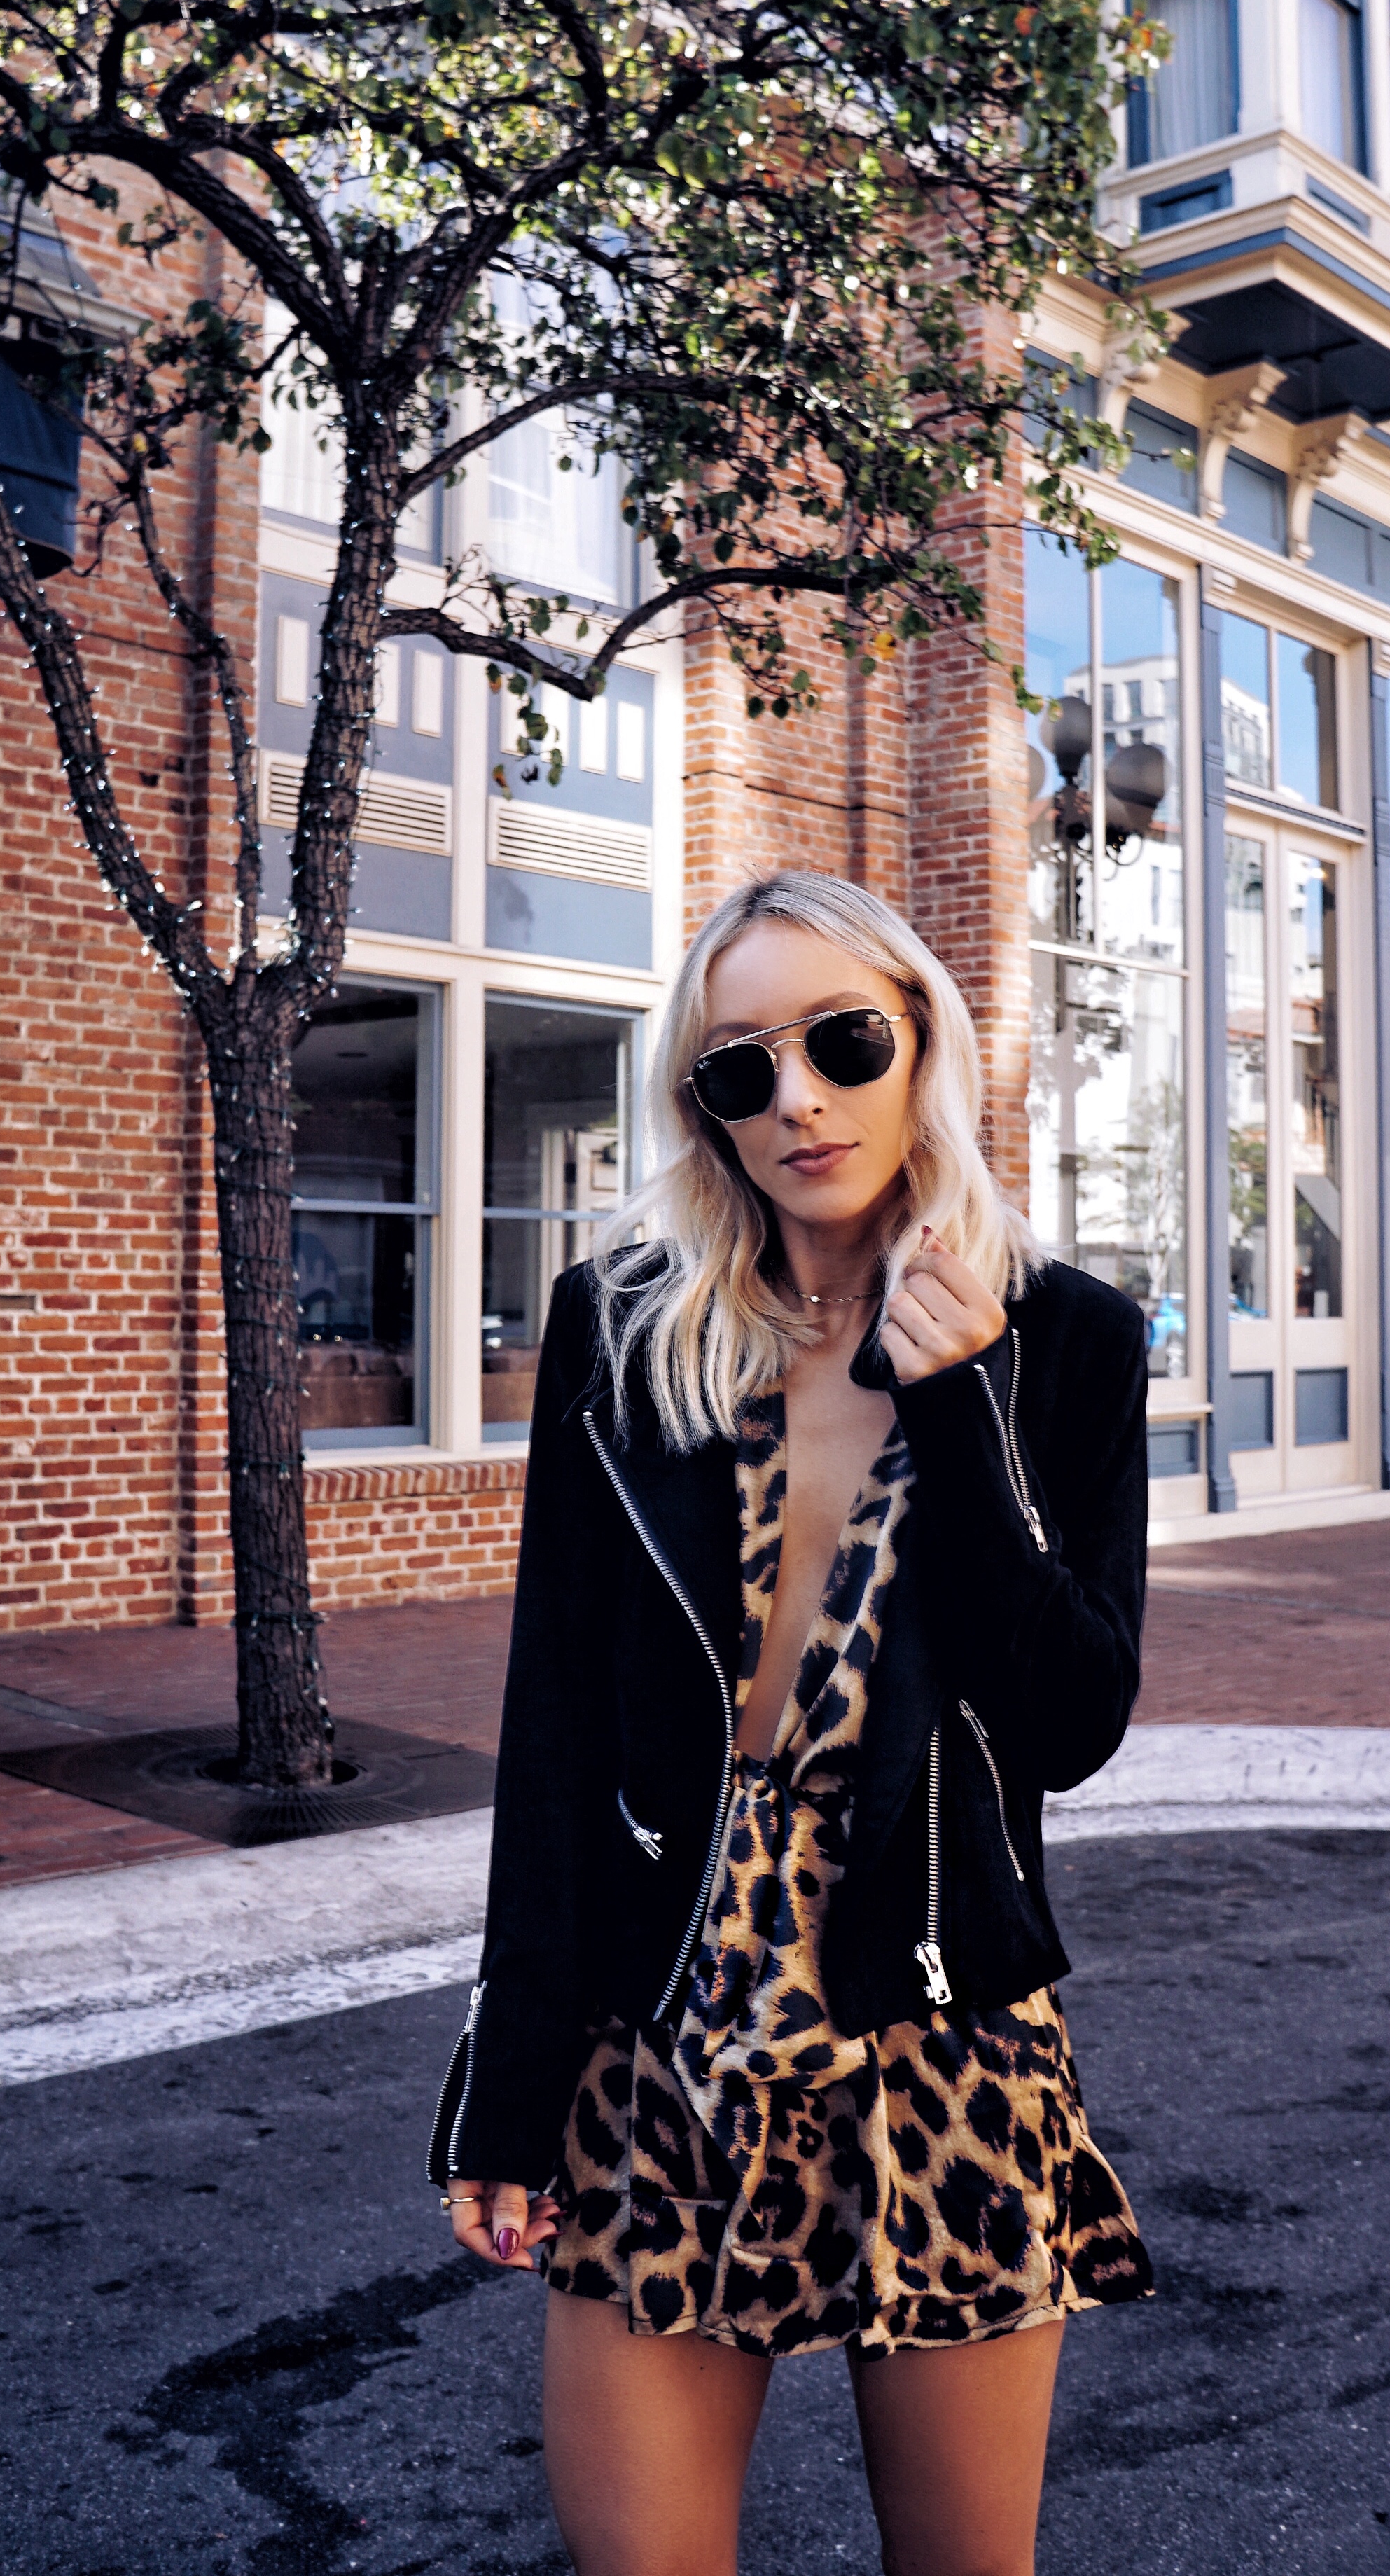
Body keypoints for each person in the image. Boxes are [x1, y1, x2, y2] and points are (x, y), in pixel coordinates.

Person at [429, 869, 1152, 2576]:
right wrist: (508, 2082)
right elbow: (552, 1730)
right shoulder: (626, 1328)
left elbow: (1068, 1718)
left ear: (923, 1041)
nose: (799, 1098)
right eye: (739, 1068)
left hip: (942, 2028)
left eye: (840, 1039)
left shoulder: (1064, 1340)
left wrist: (964, 1396)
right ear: (703, 1107)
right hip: (659, 2023)